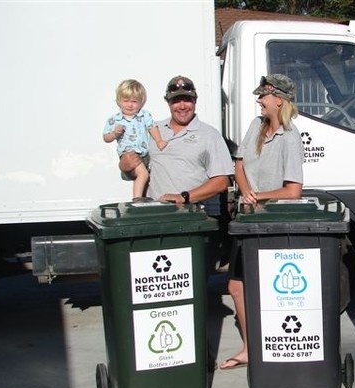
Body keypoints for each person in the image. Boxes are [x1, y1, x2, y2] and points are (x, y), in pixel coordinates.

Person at [219, 74, 304, 370]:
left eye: (263, 96)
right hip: (247, 219)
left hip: (273, 223)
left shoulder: (291, 138)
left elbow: (293, 191)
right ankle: (251, 349)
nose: (259, 100)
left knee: (266, 287)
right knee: (236, 286)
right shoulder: (257, 126)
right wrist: (245, 192)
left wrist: (260, 196)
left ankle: (277, 345)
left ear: (278, 100)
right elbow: (239, 163)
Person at [118, 75, 234, 271]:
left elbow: (221, 181)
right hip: (156, 222)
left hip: (194, 223)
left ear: (195, 101)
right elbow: (136, 172)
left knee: (193, 287)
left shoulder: (210, 135)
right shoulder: (152, 131)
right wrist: (125, 166)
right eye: (176, 100)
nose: (182, 105)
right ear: (168, 102)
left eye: (187, 99)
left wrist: (184, 197)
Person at [103, 79, 168, 201]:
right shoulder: (115, 119)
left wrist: (159, 140)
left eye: (134, 101)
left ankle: (145, 197)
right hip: (128, 154)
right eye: (126, 101)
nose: (130, 105)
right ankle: (137, 199)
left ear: (141, 103)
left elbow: (152, 127)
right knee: (143, 174)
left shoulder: (144, 115)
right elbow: (106, 138)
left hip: (144, 153)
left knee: (147, 176)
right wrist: (114, 134)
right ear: (118, 101)